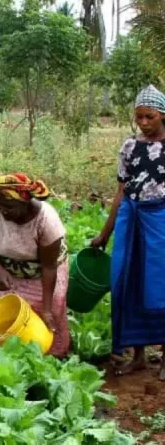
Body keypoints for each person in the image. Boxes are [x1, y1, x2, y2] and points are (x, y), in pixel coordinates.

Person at [91, 84, 165, 379]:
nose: (144, 123)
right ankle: (138, 356)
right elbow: (120, 193)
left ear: (162, 115)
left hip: (160, 221)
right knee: (126, 282)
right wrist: (105, 233)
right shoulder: (130, 147)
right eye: (139, 118)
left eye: (150, 117)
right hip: (130, 220)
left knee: (159, 287)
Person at [0, 173, 70, 357]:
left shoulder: (46, 221)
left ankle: (56, 358)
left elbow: (49, 267)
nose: (3, 211)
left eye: (9, 207)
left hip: (45, 270)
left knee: (49, 315)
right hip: (9, 269)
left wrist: (48, 308)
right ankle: (15, 359)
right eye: (0, 205)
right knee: (11, 315)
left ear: (25, 203)